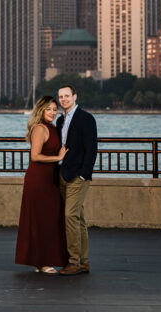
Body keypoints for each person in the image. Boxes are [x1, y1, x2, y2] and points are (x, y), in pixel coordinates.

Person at [15, 95, 68, 273]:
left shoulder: (52, 127)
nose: (53, 112)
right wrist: (58, 157)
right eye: (49, 109)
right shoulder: (39, 129)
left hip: (50, 178)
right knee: (42, 220)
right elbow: (35, 156)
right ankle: (43, 262)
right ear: (41, 110)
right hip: (38, 179)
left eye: (55, 109)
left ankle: (40, 260)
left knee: (49, 219)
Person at [55, 83, 98, 276]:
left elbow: (91, 149)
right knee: (78, 219)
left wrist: (83, 173)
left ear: (75, 96)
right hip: (63, 174)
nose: (63, 99)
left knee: (69, 216)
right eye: (61, 97)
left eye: (67, 96)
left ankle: (73, 262)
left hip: (78, 177)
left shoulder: (86, 118)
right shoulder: (60, 121)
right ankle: (83, 262)